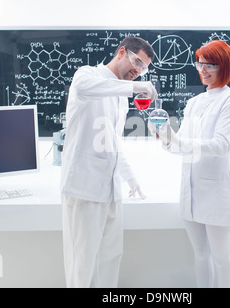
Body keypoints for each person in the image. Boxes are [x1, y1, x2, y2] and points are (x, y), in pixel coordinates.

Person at [60, 37, 157, 288]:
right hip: (85, 188)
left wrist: (130, 178)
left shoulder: (121, 96)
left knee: (110, 259)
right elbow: (85, 88)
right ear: (122, 52)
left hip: (111, 189)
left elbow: (111, 142)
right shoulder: (88, 75)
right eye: (136, 62)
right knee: (82, 265)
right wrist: (134, 87)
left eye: (143, 68)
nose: (137, 71)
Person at [149, 40, 230, 288]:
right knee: (201, 255)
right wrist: (166, 139)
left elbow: (221, 145)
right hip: (190, 190)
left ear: (224, 66)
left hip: (216, 192)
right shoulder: (194, 102)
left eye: (210, 65)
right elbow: (184, 148)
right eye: (200, 64)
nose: (203, 70)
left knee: (222, 258)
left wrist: (178, 139)